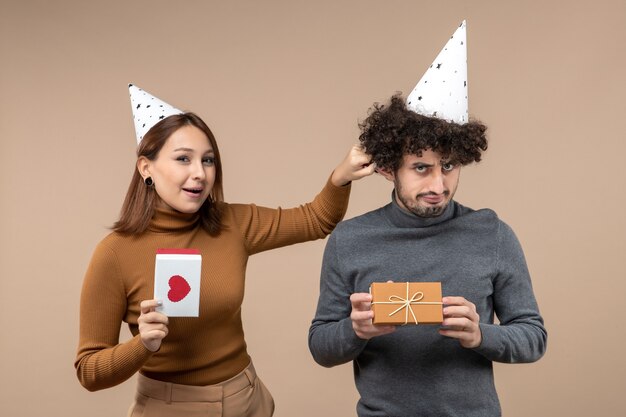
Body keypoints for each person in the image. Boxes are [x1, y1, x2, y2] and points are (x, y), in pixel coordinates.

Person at [74, 85, 375, 417]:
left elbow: (315, 220)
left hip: (247, 399)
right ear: (146, 168)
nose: (199, 174)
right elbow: (89, 371)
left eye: (208, 160)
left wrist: (342, 175)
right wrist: (141, 345)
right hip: (169, 407)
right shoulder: (115, 254)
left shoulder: (233, 223)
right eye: (183, 159)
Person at [308, 94, 547, 417]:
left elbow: (533, 337)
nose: (438, 184)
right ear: (388, 169)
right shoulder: (350, 240)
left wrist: (480, 334)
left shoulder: (492, 233)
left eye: (448, 166)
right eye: (421, 168)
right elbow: (321, 347)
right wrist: (355, 330)